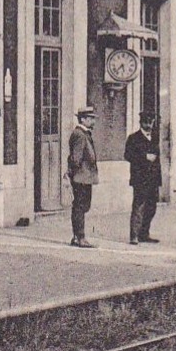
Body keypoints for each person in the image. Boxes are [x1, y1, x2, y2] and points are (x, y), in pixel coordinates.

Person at [125, 114, 162, 245]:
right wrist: (144, 157)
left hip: (153, 179)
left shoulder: (154, 138)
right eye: (146, 122)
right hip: (140, 179)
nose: (149, 125)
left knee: (151, 208)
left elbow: (157, 160)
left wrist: (159, 179)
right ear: (141, 123)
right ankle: (134, 235)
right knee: (138, 207)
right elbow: (128, 155)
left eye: (151, 122)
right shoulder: (133, 138)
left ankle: (144, 234)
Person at [67, 106, 99, 247]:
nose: (93, 121)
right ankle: (80, 237)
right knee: (80, 206)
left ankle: (77, 237)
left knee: (83, 206)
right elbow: (76, 158)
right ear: (83, 119)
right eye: (91, 118)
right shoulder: (80, 134)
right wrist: (73, 174)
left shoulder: (83, 133)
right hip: (81, 177)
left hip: (84, 176)